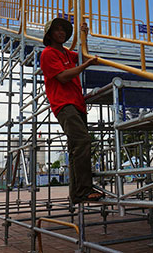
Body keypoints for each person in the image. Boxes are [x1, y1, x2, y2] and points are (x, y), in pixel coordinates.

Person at [39, 17, 103, 204]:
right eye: (57, 29)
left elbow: (84, 56)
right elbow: (64, 77)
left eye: (63, 30)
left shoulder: (67, 54)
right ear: (49, 34)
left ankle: (76, 194)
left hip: (77, 103)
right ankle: (84, 189)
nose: (62, 32)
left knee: (76, 147)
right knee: (82, 141)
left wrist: (84, 36)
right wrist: (85, 66)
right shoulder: (48, 54)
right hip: (63, 105)